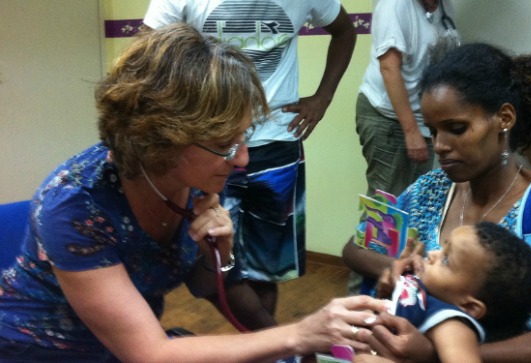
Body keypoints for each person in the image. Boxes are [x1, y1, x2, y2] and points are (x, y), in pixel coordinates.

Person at [0, 24, 385, 363]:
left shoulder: (191, 178)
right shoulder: (74, 205)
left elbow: (205, 285)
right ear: (163, 140)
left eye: (243, 137)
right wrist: (300, 335)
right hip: (40, 351)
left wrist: (220, 256)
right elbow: (150, 354)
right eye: (225, 143)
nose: (242, 160)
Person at [344, 42, 531, 362]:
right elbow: (354, 248)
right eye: (433, 131)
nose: (439, 146)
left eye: (456, 129)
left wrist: (437, 352)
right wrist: (398, 268)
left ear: (504, 118)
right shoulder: (431, 189)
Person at [143, 0, 357, 332]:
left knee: (266, 267)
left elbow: (344, 30)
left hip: (278, 146)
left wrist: (323, 97)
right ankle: (277, 344)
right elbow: (145, 57)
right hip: (207, 148)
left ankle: (267, 351)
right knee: (207, 256)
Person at [349, 0, 461, 297]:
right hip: (388, 117)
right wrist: (411, 131)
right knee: (384, 212)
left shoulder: (443, 5)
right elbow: (389, 66)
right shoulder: (395, 5)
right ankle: (358, 300)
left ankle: (397, 293)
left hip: (422, 121)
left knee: (412, 213)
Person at [380, 222, 531, 363]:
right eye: (443, 247)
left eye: (446, 259)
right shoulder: (422, 294)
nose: (431, 254)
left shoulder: (450, 323)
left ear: (469, 306)